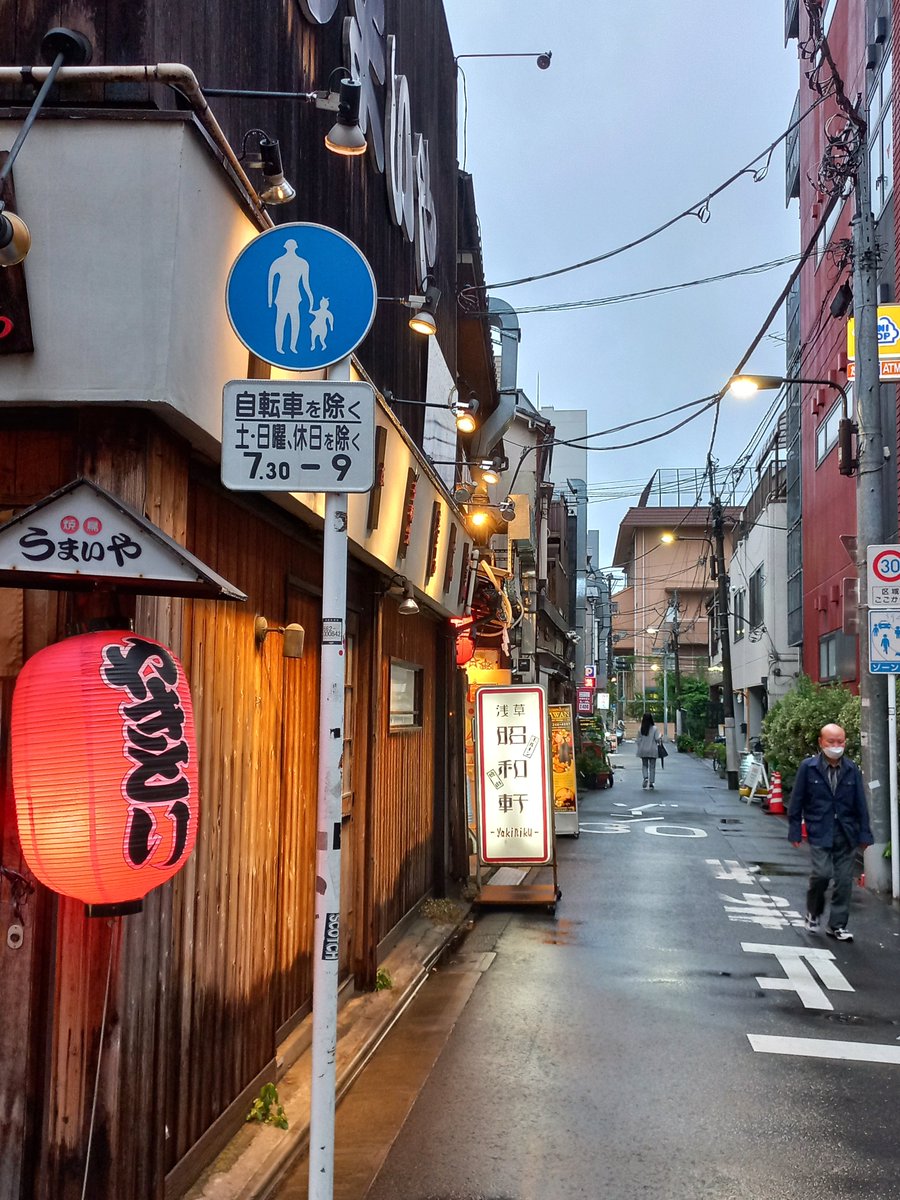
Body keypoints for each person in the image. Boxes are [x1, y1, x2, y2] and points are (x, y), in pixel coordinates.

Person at [787, 722, 873, 942]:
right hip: (819, 830)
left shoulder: (851, 768)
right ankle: (813, 912)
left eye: (840, 742)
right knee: (822, 874)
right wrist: (795, 830)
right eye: (831, 741)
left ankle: (837, 925)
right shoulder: (809, 767)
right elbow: (797, 800)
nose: (836, 746)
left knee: (844, 880)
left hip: (846, 832)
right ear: (821, 742)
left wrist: (865, 834)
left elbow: (860, 803)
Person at [634, 712, 661, 790]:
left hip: (643, 749)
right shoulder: (655, 728)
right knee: (652, 766)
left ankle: (645, 777)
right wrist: (660, 737)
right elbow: (657, 739)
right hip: (652, 749)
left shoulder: (641, 728)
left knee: (644, 765)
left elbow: (638, 740)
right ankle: (651, 783)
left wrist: (640, 746)